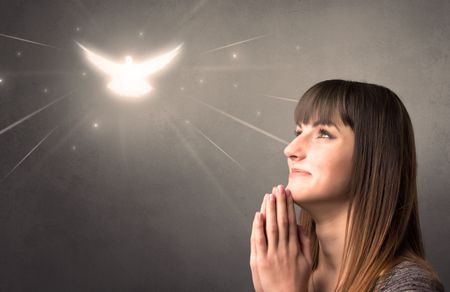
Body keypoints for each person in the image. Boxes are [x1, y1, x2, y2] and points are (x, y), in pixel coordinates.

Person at [250, 79, 445, 292]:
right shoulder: (286, 275)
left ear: (374, 157)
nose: (290, 149)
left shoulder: (409, 286)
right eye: (299, 132)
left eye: (324, 134)